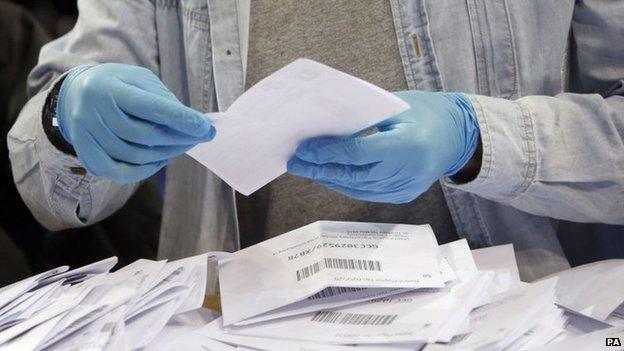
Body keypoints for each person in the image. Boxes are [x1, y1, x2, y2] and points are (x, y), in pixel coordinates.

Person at [8, 1, 624, 283]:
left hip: (510, 311)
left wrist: (478, 139)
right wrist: (69, 118)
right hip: (239, 318)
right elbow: (53, 196)